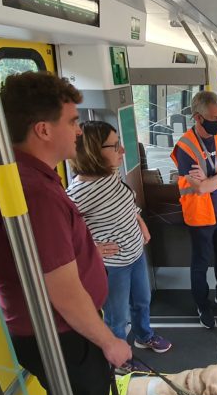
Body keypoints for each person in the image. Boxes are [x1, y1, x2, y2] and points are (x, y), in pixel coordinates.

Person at [0, 71, 131, 395]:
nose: (79, 130)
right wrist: (109, 341)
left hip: (51, 331)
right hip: (64, 335)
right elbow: (62, 290)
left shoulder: (6, 174)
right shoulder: (36, 193)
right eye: (73, 121)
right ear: (43, 130)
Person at [67, 121, 172, 359]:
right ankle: (118, 359)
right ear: (94, 151)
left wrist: (141, 223)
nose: (122, 151)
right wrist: (91, 250)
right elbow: (61, 233)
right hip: (114, 266)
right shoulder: (78, 193)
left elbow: (125, 202)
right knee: (117, 317)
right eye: (115, 146)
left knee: (142, 301)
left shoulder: (110, 174)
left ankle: (144, 336)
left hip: (135, 253)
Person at [170, 91, 217, 329]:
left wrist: (214, 178)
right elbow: (201, 189)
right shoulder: (185, 147)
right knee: (201, 262)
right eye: (213, 117)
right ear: (198, 118)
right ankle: (202, 304)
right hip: (201, 215)